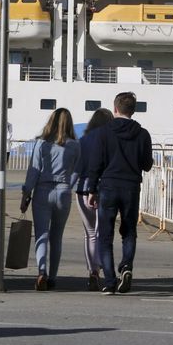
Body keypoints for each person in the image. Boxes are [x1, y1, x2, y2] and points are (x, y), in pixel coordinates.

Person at [79, 91, 153, 295]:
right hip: (131, 187)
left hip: (108, 186)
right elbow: (147, 165)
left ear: (115, 109)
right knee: (129, 232)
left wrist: (91, 189)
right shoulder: (143, 134)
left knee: (105, 235)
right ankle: (126, 266)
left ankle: (110, 282)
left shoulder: (104, 133)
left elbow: (96, 163)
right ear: (133, 110)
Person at [21, 108, 81, 290]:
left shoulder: (41, 144)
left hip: (42, 191)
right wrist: (68, 185)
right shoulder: (75, 145)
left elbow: (33, 171)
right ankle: (53, 277)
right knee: (57, 237)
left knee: (42, 234)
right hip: (63, 191)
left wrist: (26, 193)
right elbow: (77, 171)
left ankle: (42, 272)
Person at [75, 108, 114, 291]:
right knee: (101, 232)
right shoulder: (110, 140)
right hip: (103, 188)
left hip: (83, 189)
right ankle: (103, 267)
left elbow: (78, 167)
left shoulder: (83, 141)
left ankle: (92, 271)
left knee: (89, 233)